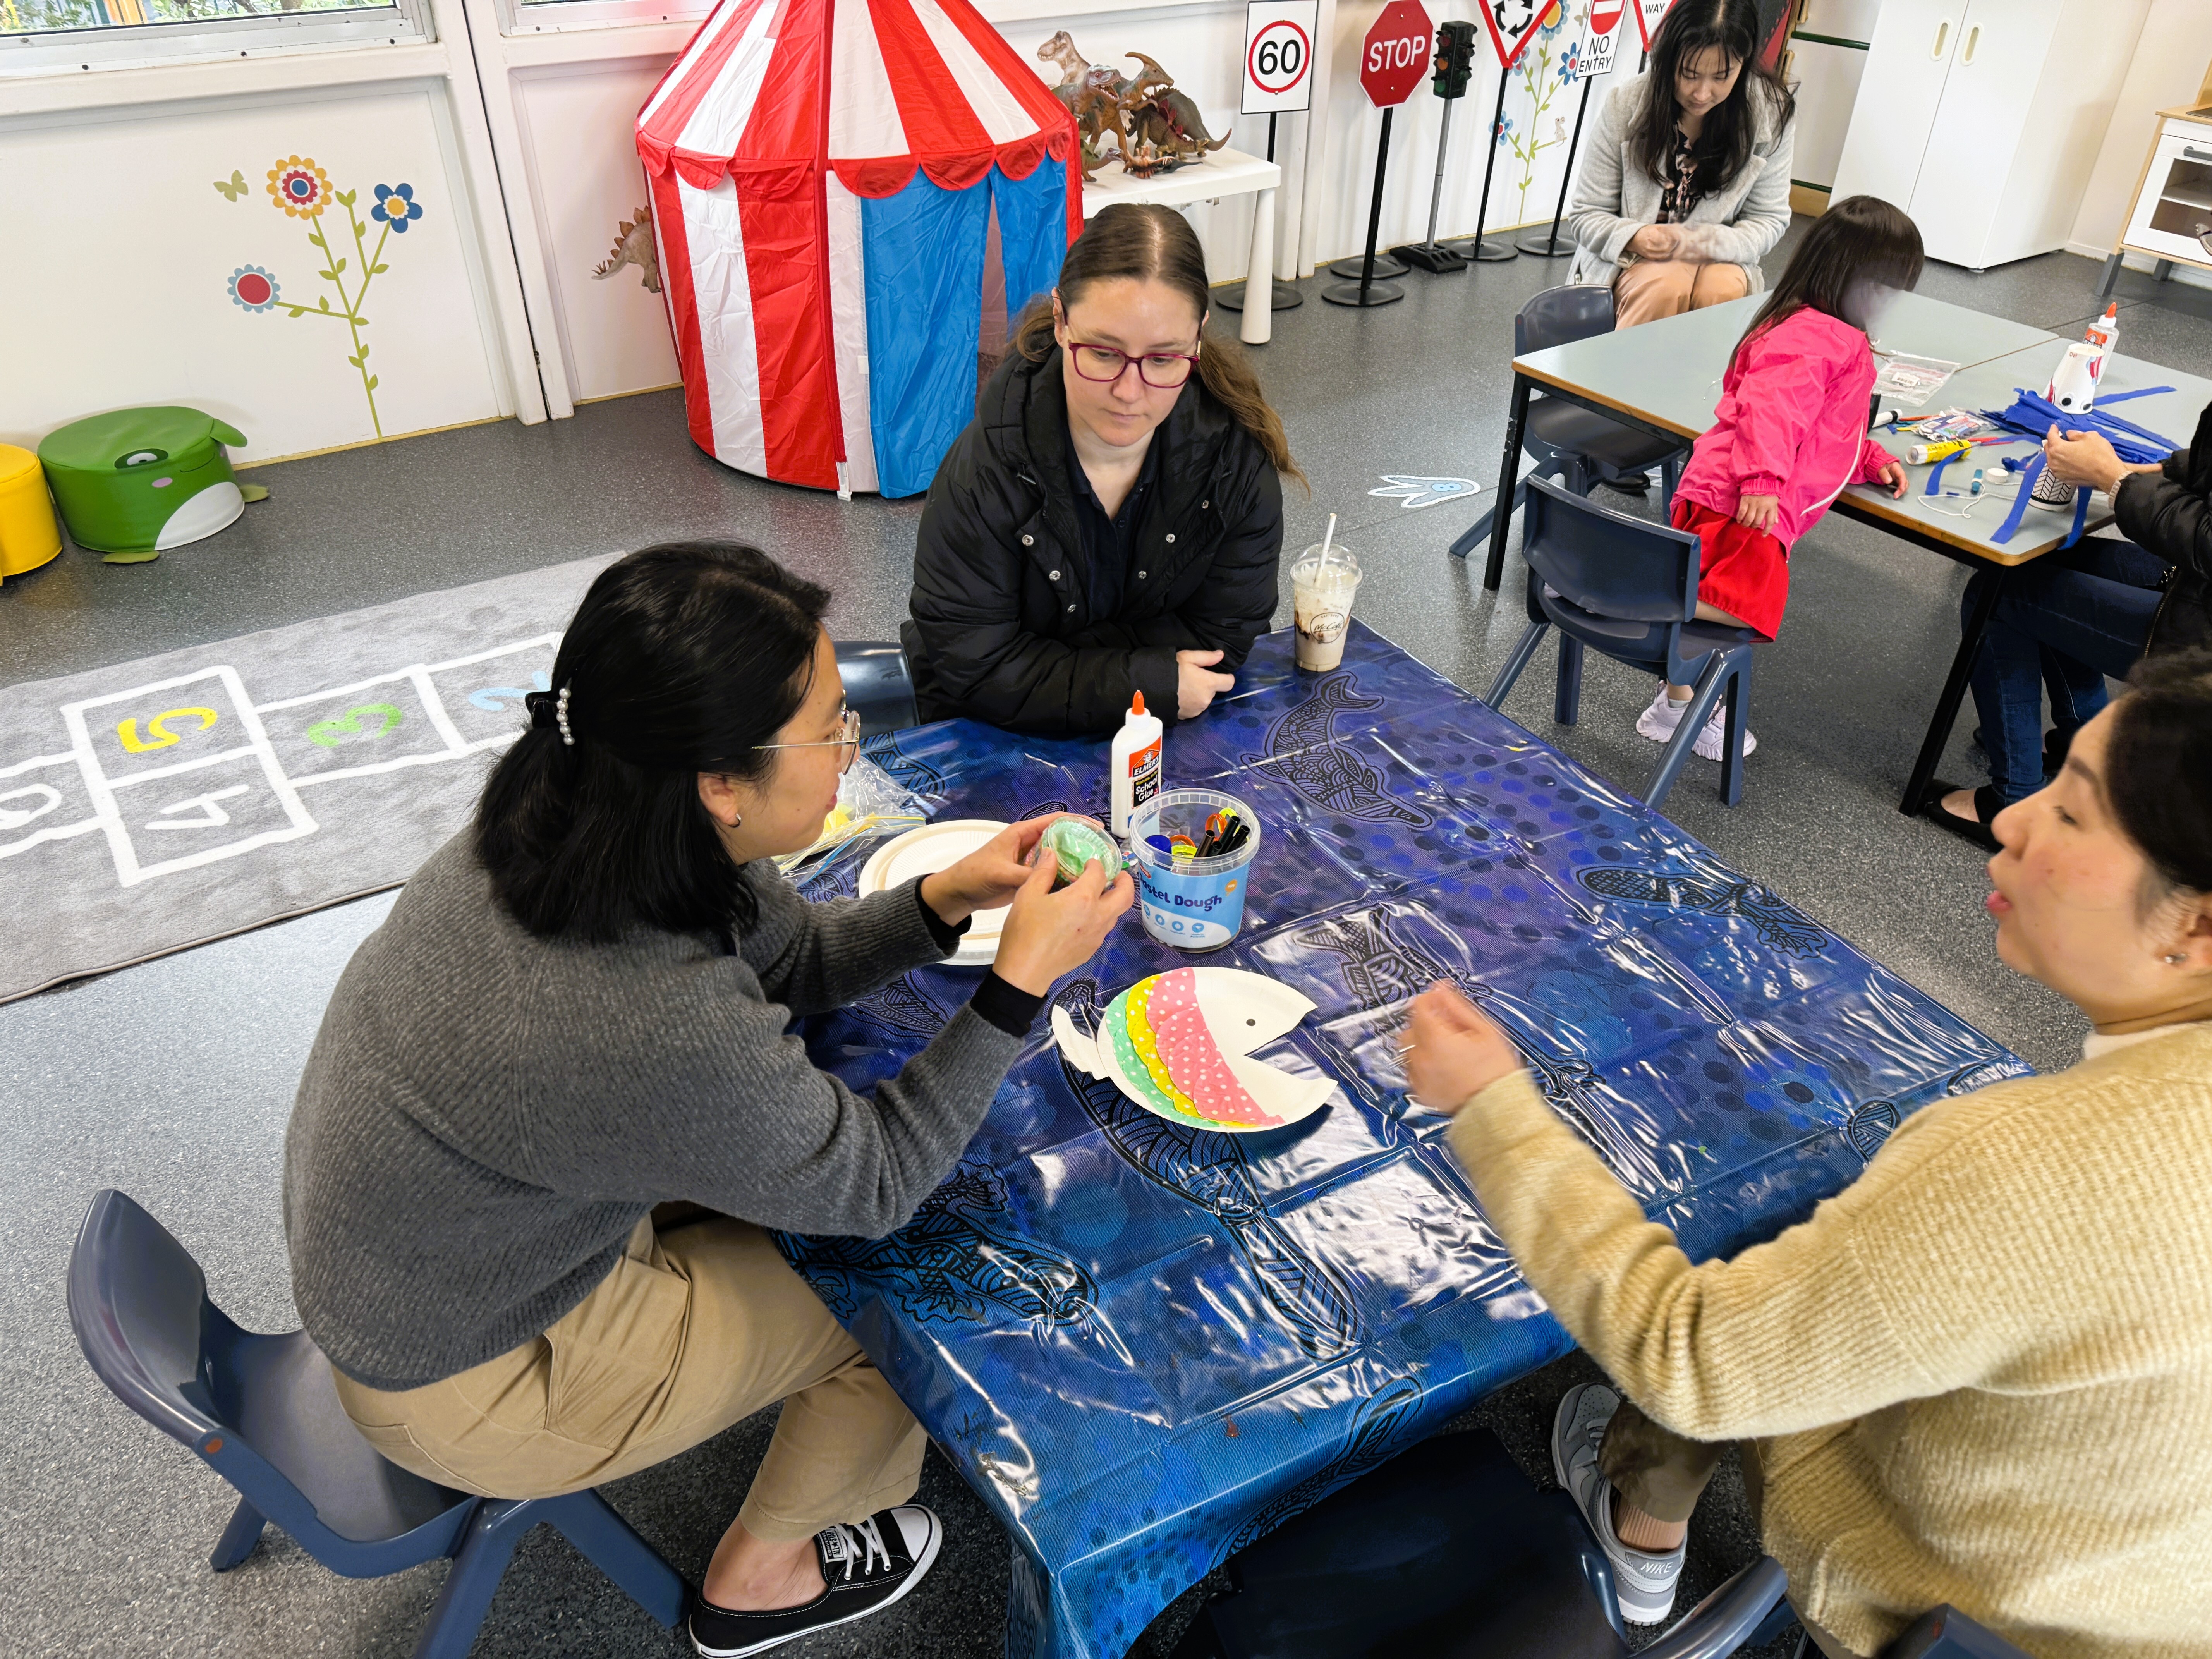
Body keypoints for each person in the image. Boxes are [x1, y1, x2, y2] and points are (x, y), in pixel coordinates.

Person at [283, 543, 1133, 1659]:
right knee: (907, 1305)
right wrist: (1018, 983)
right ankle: (760, 1579)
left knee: (821, 1194)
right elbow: (875, 1184)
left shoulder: (597, 811)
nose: (848, 752)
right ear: (721, 781)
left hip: (449, 1249)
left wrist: (940, 901)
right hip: (467, 1365)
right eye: (832, 729)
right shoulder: (640, 1010)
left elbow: (788, 959)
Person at [1406, 651, 2212, 1657]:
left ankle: (1639, 1531)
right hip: (2139, 1578)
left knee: (1749, 1211)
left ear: (2199, 925)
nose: (2010, 819)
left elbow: (1692, 1357)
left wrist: (1490, 1104)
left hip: (1946, 1607)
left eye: (2075, 812)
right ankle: (1648, 1523)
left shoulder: (2029, 1163)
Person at [903, 203, 1301, 737]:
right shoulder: (982, 476)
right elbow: (978, 669)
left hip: (1170, 729)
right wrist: (1150, 680)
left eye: (1164, 359)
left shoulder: (1234, 464)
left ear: (1199, 336)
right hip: (997, 736)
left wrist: (1055, 665)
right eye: (1104, 353)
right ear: (1063, 321)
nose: (1129, 393)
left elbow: (1223, 639)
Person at [1633, 195, 1917, 762]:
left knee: (1711, 597)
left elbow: (1825, 423)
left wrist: (1866, 457)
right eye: (1887, 285)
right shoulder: (1821, 336)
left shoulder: (1808, 323)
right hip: (1744, 502)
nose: (1891, 299)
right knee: (1744, 606)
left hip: (1724, 492)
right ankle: (1631, 591)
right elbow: (1771, 409)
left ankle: (1674, 705)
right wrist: (1762, 480)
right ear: (1856, 280)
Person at [1928, 395, 2212, 849]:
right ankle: (2089, 749)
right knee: (2052, 563)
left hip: (2199, 636)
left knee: (1996, 593)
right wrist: (2140, 471)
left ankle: (2012, 801)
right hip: (2192, 583)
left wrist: (2114, 480)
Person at [1566, 0, 1795, 330]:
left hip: (1719, 260)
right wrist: (1637, 236)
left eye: (1722, 76)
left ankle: (1705, 384)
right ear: (1669, 58)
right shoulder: (1626, 104)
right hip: (1634, 264)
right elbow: (1588, 213)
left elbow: (1768, 218)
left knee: (1724, 289)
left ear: (1744, 64)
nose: (1702, 93)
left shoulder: (1772, 113)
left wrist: (1707, 242)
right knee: (1664, 284)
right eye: (1689, 74)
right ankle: (1613, 381)